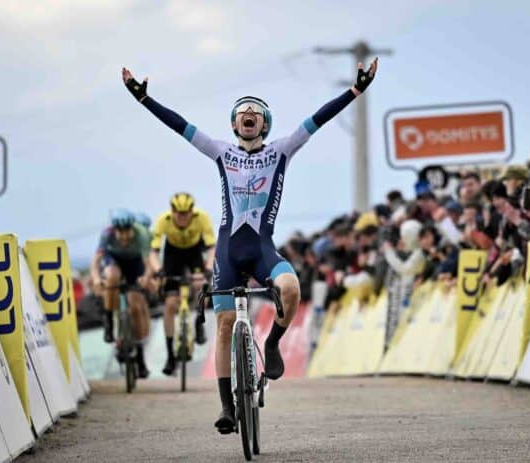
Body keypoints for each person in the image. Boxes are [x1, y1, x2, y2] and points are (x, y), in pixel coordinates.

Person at [122, 57, 378, 433]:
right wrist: (144, 99)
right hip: (228, 252)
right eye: (242, 112)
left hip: (261, 249)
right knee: (225, 323)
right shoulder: (221, 151)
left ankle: (272, 344)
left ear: (264, 124)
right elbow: (180, 126)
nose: (248, 115)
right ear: (233, 123)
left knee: (290, 288)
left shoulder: (281, 151)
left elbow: (318, 119)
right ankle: (227, 407)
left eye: (255, 113)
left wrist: (356, 91)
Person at [149, 192, 216, 376]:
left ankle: (198, 322)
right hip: (173, 256)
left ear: (192, 212)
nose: (183, 217)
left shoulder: (202, 218)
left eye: (186, 213)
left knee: (200, 285)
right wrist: (157, 269)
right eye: (179, 213)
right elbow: (153, 252)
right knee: (170, 305)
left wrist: (208, 268)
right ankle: (171, 355)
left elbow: (211, 248)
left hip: (194, 253)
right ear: (172, 212)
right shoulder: (163, 220)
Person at [90, 209, 152, 378]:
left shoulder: (142, 235)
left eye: (127, 233)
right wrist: (96, 279)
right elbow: (95, 262)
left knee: (136, 304)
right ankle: (109, 321)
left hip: (134, 263)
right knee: (111, 277)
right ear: (114, 230)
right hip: (114, 260)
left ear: (133, 229)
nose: (124, 237)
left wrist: (146, 278)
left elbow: (148, 264)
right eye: (120, 233)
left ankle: (140, 357)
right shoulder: (106, 234)